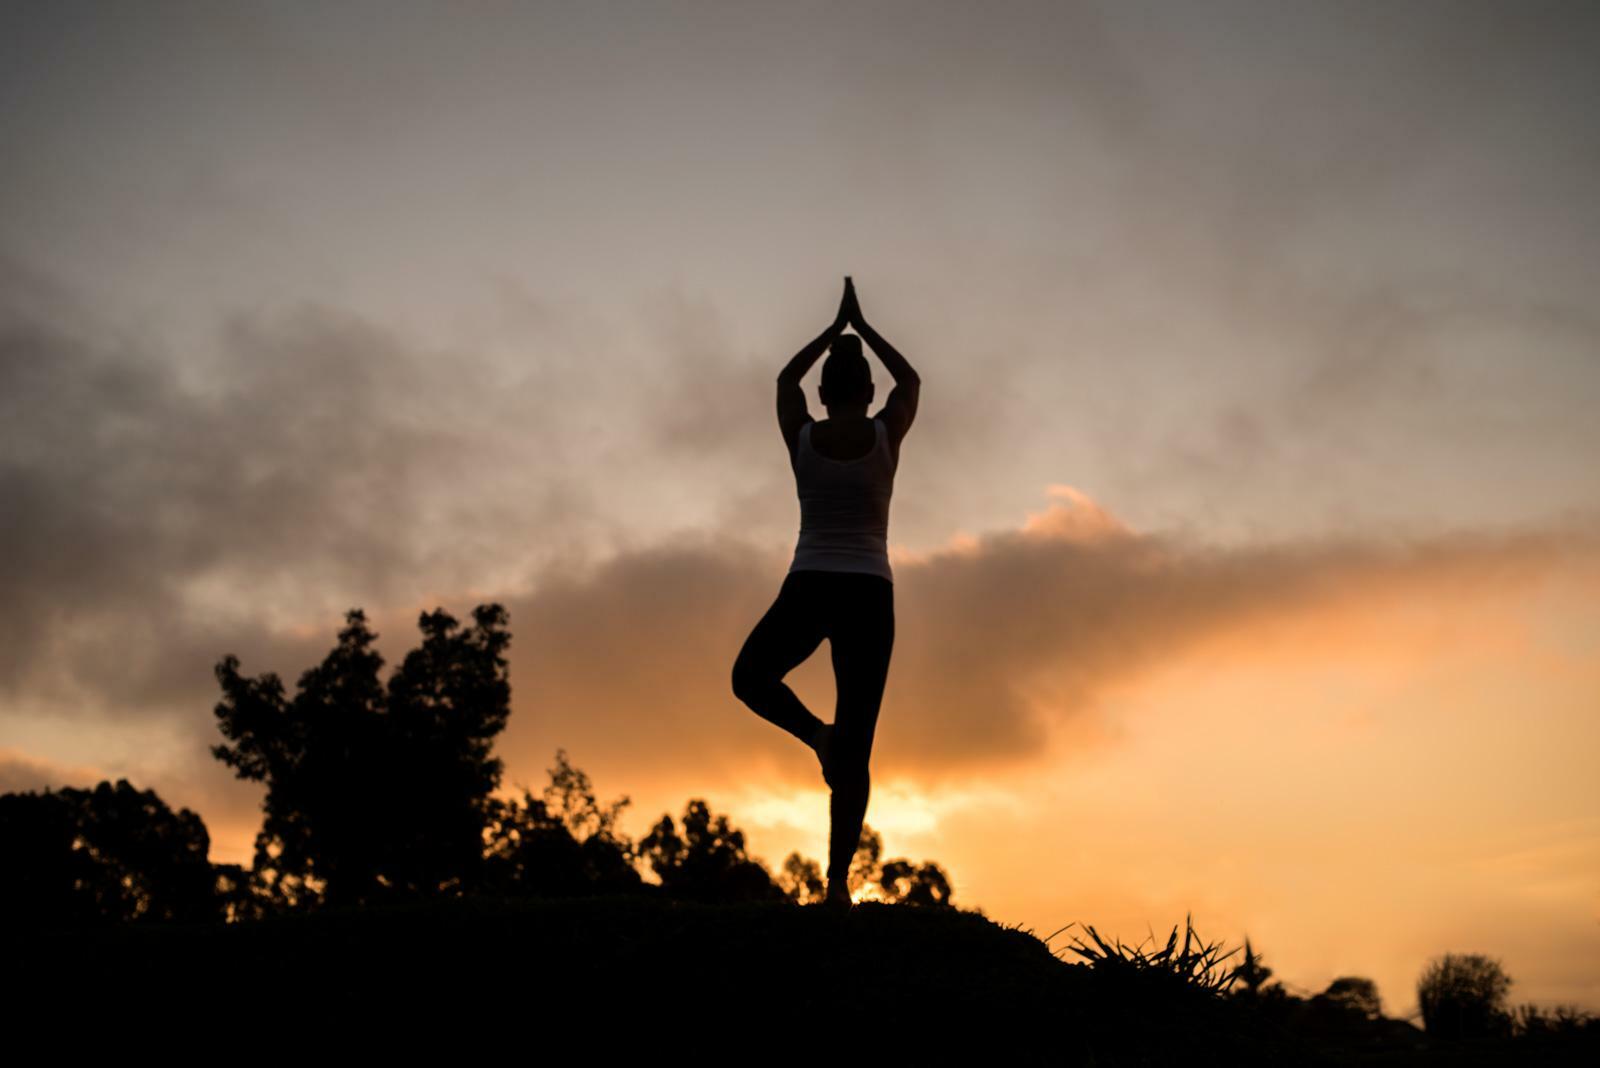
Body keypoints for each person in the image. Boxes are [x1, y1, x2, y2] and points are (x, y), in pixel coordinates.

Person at [731, 276, 921, 913]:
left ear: (823, 390)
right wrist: (862, 327)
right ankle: (837, 884)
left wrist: (828, 329)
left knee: (751, 677)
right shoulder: (886, 436)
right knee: (858, 742)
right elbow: (911, 383)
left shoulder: (804, 437)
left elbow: (785, 382)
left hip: (811, 582)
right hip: (869, 591)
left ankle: (817, 736)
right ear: (867, 391)